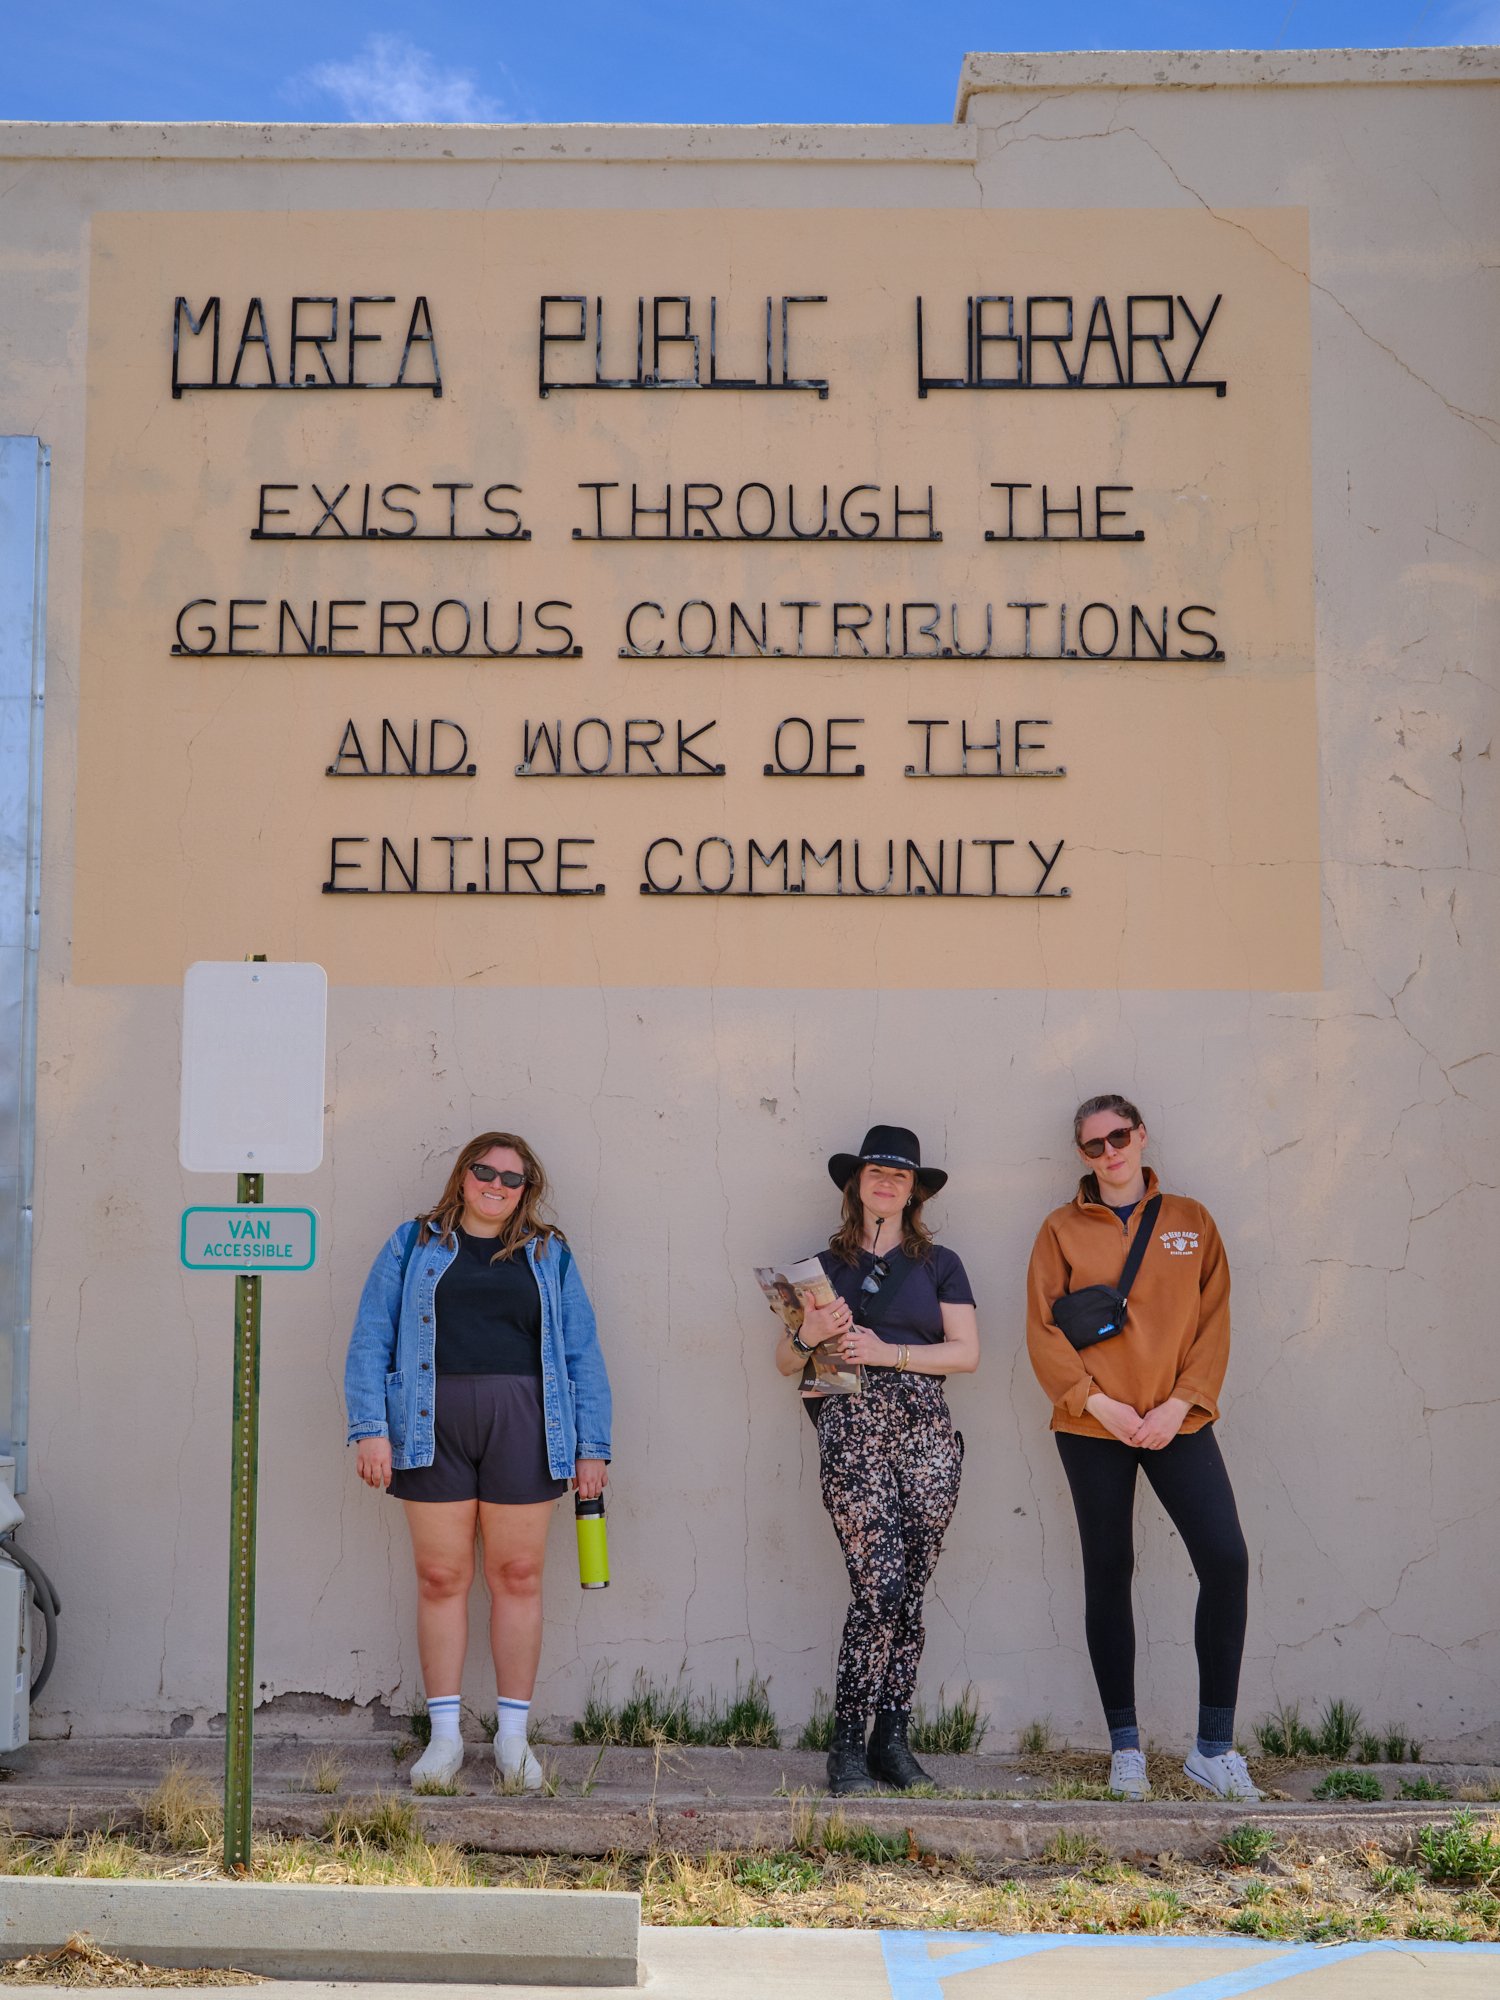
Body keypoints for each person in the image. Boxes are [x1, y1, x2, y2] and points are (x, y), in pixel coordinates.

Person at [345, 1131, 612, 1790]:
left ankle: (513, 1740)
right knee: (441, 1577)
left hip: (526, 1424)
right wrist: (370, 1429)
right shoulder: (413, 1244)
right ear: (463, 1176)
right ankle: (444, 1740)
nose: (496, 1185)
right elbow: (371, 1335)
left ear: (527, 1190)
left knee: (518, 1574)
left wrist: (591, 1447)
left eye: (511, 1178)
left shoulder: (549, 1254)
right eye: (484, 1171)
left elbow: (582, 1352)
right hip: (427, 1425)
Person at [1025, 1094, 1258, 1803]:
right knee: (1109, 1569)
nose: (1110, 1153)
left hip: (1175, 1422)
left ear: (1141, 1136)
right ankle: (1125, 1751)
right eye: (1094, 1145)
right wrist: (1099, 1403)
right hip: (1094, 1424)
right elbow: (1042, 1330)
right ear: (1082, 1154)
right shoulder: (1060, 1229)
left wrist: (1180, 1404)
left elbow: (1214, 1321)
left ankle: (1213, 1749)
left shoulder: (1191, 1221)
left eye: (1119, 1137)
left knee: (1226, 1560)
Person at [775, 1124, 979, 1795]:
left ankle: (891, 1743)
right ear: (856, 1185)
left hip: (925, 1429)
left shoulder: (940, 1263)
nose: (887, 1183)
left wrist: (889, 1352)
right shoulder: (819, 1268)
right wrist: (808, 1333)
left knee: (910, 1593)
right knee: (880, 1588)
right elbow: (784, 1363)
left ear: (913, 1190)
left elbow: (966, 1353)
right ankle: (847, 1748)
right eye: (875, 1172)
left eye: (900, 1175)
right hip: (852, 1429)